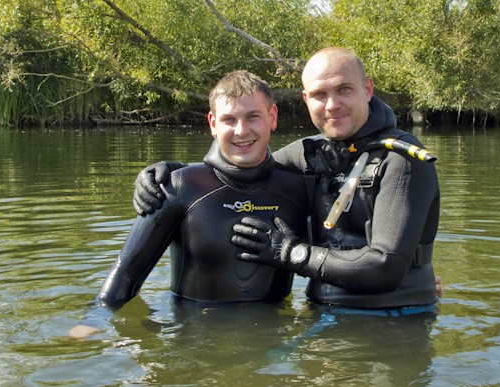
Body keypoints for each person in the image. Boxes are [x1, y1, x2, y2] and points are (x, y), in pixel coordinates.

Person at [135, 48, 440, 314]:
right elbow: (242, 167)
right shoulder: (311, 152)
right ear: (306, 99)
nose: (332, 104)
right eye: (320, 94)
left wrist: (290, 252)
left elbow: (385, 267)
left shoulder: (404, 161)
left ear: (368, 90)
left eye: (343, 89)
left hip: (395, 321)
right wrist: (171, 173)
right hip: (321, 314)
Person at [75, 71, 309, 326]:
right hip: (194, 344)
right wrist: (90, 325)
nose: (241, 131)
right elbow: (123, 279)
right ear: (212, 123)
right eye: (229, 119)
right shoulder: (178, 186)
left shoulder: (298, 188)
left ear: (272, 117)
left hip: (275, 352)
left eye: (253, 116)